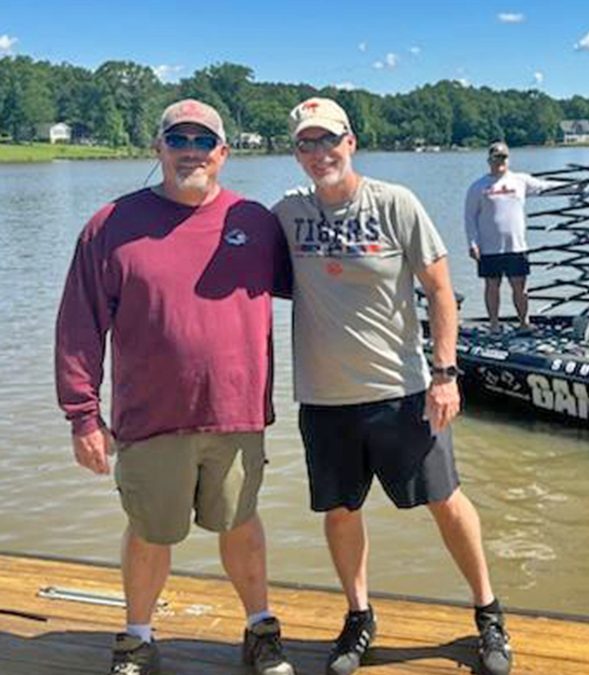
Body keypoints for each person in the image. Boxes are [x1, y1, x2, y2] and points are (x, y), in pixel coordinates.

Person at [273, 97, 513, 675]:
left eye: (328, 140)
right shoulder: (284, 214)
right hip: (325, 398)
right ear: (296, 152)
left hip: (401, 391)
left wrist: (445, 374)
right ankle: (359, 616)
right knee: (339, 510)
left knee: (445, 500)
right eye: (306, 143)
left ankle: (488, 612)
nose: (319, 153)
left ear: (350, 142)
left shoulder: (394, 203)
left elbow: (440, 289)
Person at [54, 99, 294, 675]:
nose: (191, 151)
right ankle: (137, 639)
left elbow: (328, 289)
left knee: (241, 523)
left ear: (223, 153)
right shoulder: (110, 225)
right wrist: (82, 415)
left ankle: (260, 629)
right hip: (151, 417)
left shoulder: (256, 222)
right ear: (157, 148)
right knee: (149, 531)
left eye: (203, 141)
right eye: (178, 140)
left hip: (236, 414)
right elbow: (79, 325)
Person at [464, 141, 556, 332]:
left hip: (516, 246)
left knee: (519, 286)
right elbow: (469, 217)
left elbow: (545, 187)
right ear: (489, 160)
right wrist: (472, 243)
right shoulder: (478, 186)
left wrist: (577, 187)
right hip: (489, 247)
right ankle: (494, 325)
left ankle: (524, 323)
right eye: (496, 158)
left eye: (503, 158)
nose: (500, 162)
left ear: (508, 159)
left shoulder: (520, 180)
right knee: (492, 286)